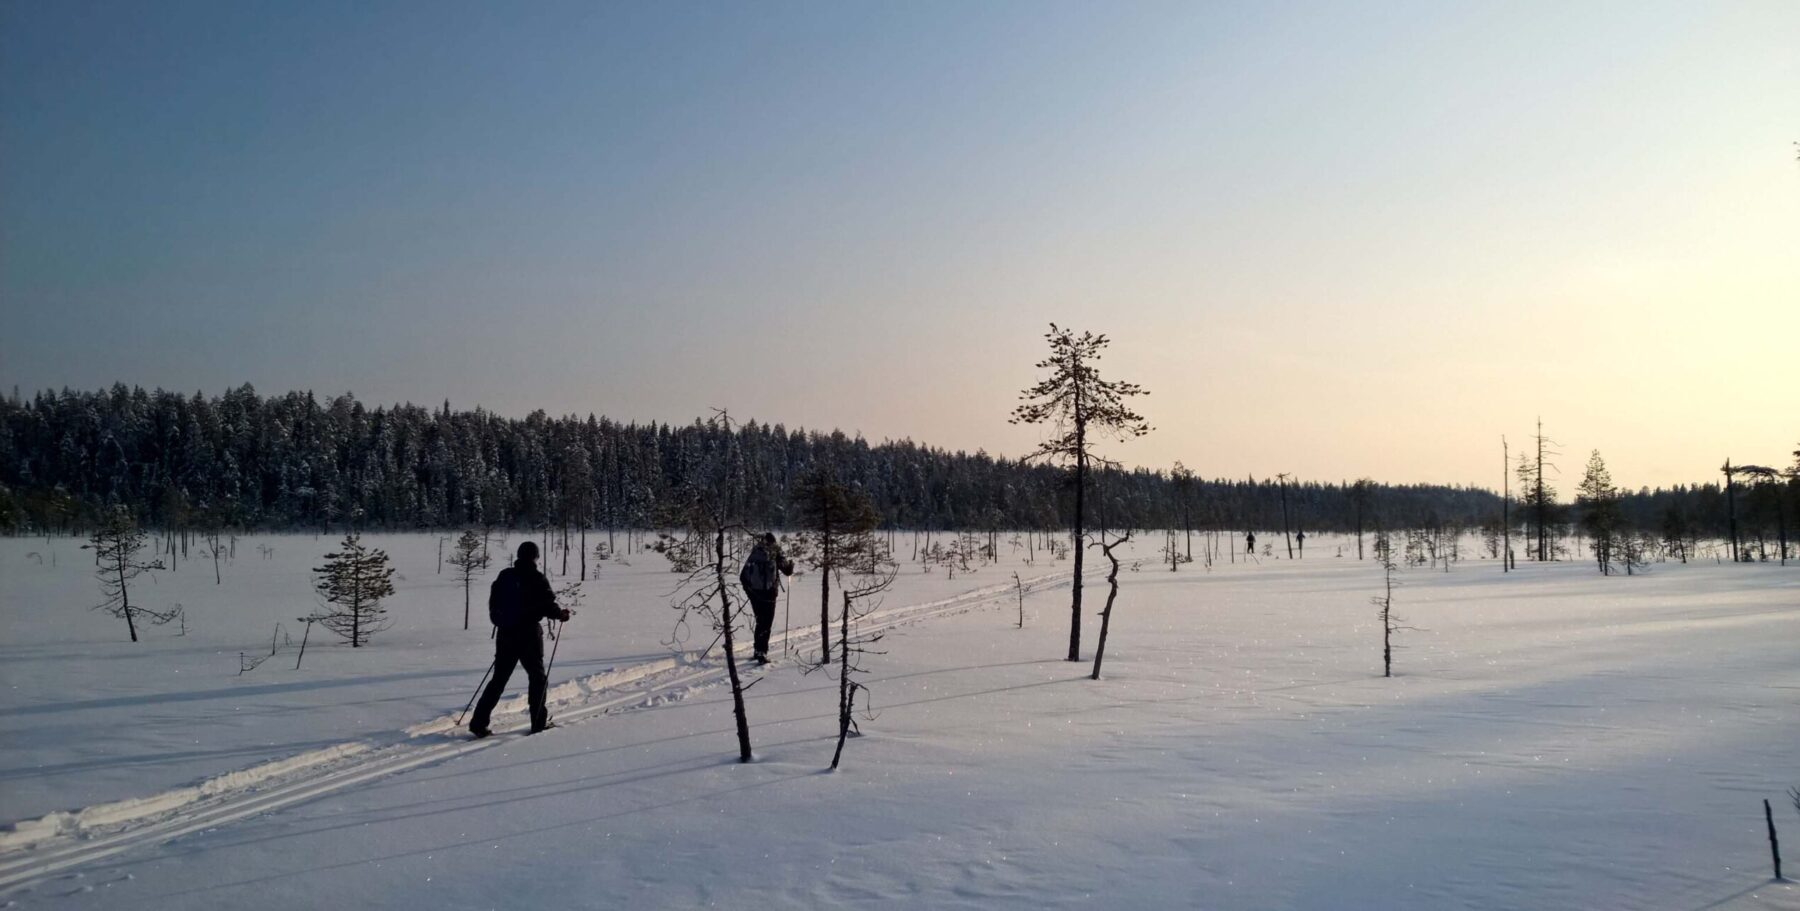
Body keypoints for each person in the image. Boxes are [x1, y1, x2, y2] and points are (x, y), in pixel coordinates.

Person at [470, 541, 571, 737]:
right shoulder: (537, 578)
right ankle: (538, 723)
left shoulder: (505, 576)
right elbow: (548, 606)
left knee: (499, 679)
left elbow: (494, 602)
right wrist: (561, 615)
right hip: (529, 635)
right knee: (537, 678)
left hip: (506, 634)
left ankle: (478, 723)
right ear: (535, 557)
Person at [738, 533, 794, 665]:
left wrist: (750, 592)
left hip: (755, 593)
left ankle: (758, 650)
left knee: (760, 621)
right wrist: (791, 564)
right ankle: (761, 652)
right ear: (773, 541)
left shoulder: (755, 551)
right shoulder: (775, 551)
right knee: (766, 623)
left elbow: (742, 576)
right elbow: (787, 571)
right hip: (769, 593)